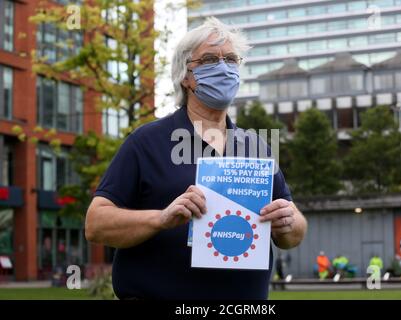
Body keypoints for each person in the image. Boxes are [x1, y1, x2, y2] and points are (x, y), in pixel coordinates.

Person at [85, 17, 308, 300]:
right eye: (210, 60)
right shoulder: (146, 142)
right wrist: (161, 219)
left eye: (231, 59)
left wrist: (289, 220)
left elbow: (292, 235)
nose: (224, 68)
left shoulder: (255, 146)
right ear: (185, 76)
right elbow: (95, 224)